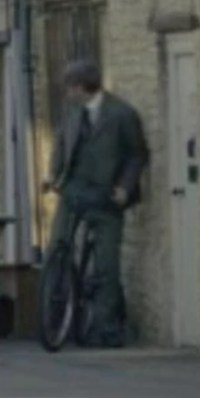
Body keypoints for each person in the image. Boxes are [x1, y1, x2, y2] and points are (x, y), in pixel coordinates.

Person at [43, 59, 149, 348]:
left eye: (69, 88)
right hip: (74, 189)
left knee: (106, 263)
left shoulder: (122, 114)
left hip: (106, 195)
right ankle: (54, 315)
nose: (66, 94)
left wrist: (124, 188)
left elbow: (137, 154)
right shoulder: (72, 111)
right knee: (57, 248)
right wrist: (52, 175)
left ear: (81, 88)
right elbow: (61, 143)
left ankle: (106, 328)